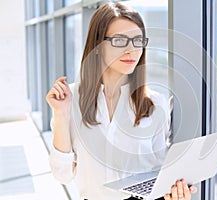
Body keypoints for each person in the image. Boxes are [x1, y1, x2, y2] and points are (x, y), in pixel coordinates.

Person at [46, 2, 197, 200]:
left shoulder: (155, 104)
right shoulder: (70, 100)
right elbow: (62, 174)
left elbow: (159, 171)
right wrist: (61, 114)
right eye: (119, 41)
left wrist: (174, 191)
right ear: (97, 46)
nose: (131, 50)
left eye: (137, 41)